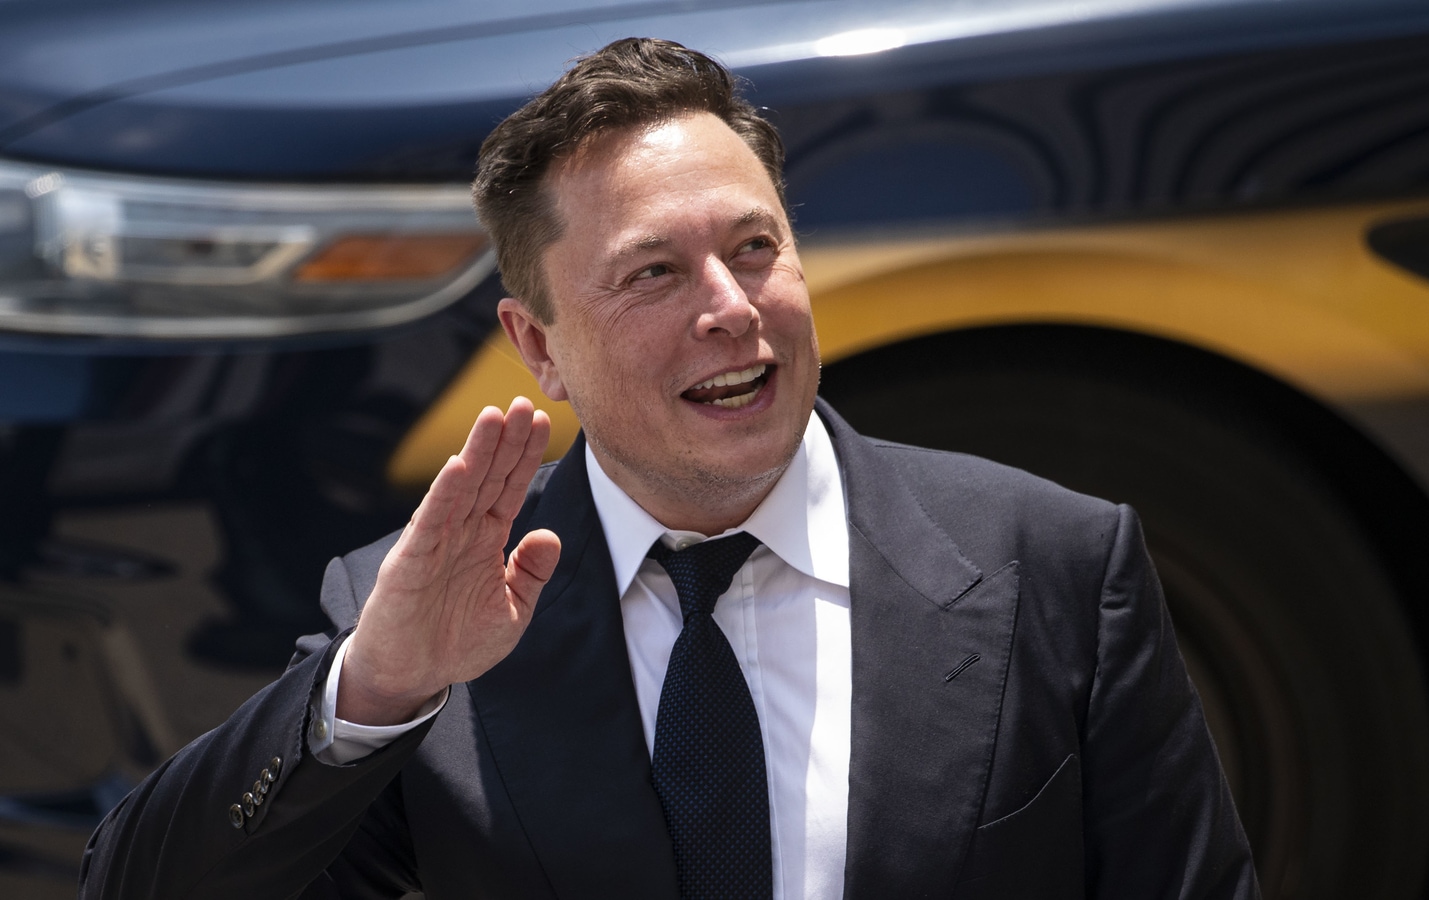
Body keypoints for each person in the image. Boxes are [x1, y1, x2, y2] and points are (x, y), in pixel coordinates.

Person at [78, 38, 1258, 900]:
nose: (732, 310)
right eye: (654, 275)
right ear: (539, 346)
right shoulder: (423, 620)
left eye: (757, 249)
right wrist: (372, 695)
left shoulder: (1052, 564)